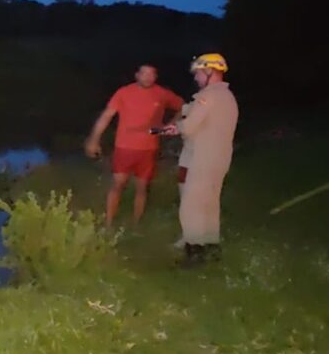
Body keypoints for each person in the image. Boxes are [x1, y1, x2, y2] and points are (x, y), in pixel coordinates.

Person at [158, 53, 239, 266]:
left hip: (203, 157)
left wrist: (173, 129)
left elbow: (190, 125)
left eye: (198, 73)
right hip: (219, 158)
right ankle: (212, 247)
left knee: (191, 205)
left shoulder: (208, 97)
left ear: (210, 71)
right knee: (209, 204)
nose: (196, 78)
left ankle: (194, 253)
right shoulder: (227, 97)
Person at [84, 64, 184, 226]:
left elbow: (183, 107)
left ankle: (136, 224)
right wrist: (94, 139)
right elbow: (107, 115)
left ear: (156, 77)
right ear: (137, 75)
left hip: (149, 148)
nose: (148, 77)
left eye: (152, 74)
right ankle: (108, 223)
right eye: (144, 73)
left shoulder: (162, 94)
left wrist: (169, 126)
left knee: (142, 188)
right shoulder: (124, 92)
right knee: (118, 184)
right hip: (125, 147)